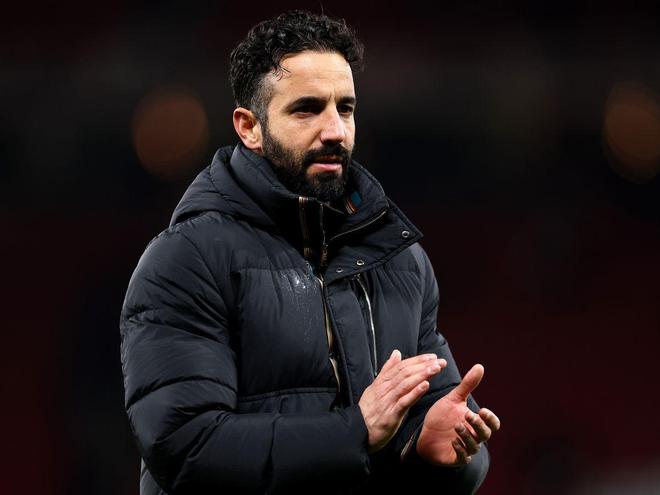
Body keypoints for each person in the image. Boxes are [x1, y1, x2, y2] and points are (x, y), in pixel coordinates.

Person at [120, 10, 500, 495]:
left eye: (346, 108)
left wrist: (431, 453)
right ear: (249, 127)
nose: (335, 130)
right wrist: (355, 431)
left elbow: (440, 429)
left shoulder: (400, 262)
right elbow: (186, 447)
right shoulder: (186, 261)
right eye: (307, 109)